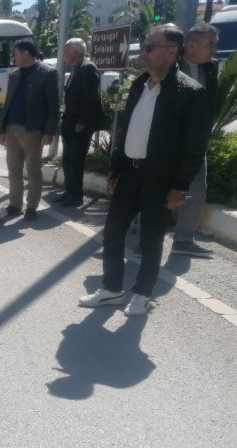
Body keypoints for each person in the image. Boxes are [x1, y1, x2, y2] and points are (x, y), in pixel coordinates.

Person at [79, 24, 211, 317]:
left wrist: (180, 185)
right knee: (112, 234)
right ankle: (112, 289)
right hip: (130, 174)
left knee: (150, 240)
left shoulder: (190, 93)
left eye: (150, 47)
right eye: (145, 46)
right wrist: (117, 166)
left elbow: (194, 146)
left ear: (172, 51)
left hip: (160, 179)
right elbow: (128, 129)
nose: (144, 52)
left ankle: (142, 294)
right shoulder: (140, 84)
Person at [170, 23, 219, 258]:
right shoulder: (170, 64)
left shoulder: (211, 69)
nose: (214, 48)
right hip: (168, 140)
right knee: (156, 186)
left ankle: (183, 239)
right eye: (210, 43)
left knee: (197, 189)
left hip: (196, 142)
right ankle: (141, 233)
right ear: (191, 45)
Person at [0, 40, 60, 220]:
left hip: (33, 131)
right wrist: (2, 130)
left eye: (16, 54)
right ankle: (15, 204)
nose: (14, 58)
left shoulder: (47, 73)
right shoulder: (14, 75)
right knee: (13, 169)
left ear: (26, 54)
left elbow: (53, 105)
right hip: (12, 129)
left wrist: (49, 132)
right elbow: (7, 103)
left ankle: (32, 207)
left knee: (33, 170)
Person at [55, 38, 104, 208]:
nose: (63, 56)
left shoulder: (87, 68)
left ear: (73, 53)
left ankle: (76, 196)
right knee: (67, 159)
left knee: (76, 161)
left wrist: (82, 122)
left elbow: (91, 99)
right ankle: (69, 191)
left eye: (65, 51)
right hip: (69, 122)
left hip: (80, 125)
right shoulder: (77, 68)